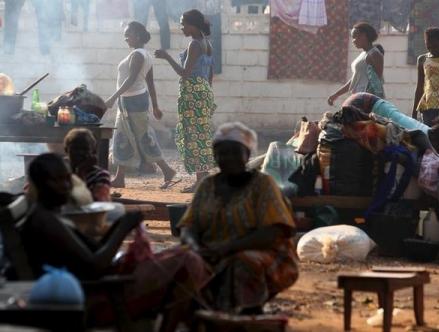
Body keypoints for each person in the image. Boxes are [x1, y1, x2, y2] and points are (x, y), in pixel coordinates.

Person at [21, 153, 210, 332]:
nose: (66, 186)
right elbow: (95, 265)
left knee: (183, 256)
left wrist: (118, 226)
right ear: (40, 184)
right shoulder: (47, 221)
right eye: (57, 180)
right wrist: (122, 230)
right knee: (187, 261)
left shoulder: (51, 215)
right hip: (95, 296)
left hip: (96, 285)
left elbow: (93, 249)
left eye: (67, 178)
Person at [178, 122, 299, 314]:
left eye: (235, 152)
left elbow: (273, 232)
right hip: (213, 251)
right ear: (215, 157)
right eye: (222, 153)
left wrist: (227, 248)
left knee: (241, 261)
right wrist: (195, 247)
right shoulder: (207, 185)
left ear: (247, 155)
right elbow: (188, 226)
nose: (228, 158)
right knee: (179, 260)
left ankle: (246, 314)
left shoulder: (262, 184)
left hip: (267, 257)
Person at [105, 21, 177, 189]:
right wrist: (155, 106)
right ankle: (121, 177)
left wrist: (113, 97)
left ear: (137, 35)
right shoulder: (146, 55)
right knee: (127, 136)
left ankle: (166, 170)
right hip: (134, 100)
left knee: (140, 137)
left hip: (132, 101)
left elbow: (130, 80)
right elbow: (150, 83)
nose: (125, 38)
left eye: (128, 34)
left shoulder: (137, 55)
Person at [155, 9, 215, 193]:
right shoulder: (207, 43)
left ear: (193, 25)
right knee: (201, 135)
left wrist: (167, 57)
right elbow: (210, 73)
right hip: (203, 91)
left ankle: (199, 182)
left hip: (192, 93)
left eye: (183, 24)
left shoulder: (195, 45)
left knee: (193, 137)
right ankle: (203, 179)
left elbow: (184, 73)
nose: (181, 27)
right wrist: (208, 94)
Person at [328, 22, 385, 106]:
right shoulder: (363, 54)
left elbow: (377, 82)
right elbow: (354, 80)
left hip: (367, 101)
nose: (353, 41)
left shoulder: (374, 54)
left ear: (364, 36)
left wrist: (369, 103)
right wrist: (336, 94)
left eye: (354, 37)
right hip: (358, 98)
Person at [64, 128, 111, 202]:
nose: (80, 153)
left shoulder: (100, 175)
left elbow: (99, 203)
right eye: (75, 148)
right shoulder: (60, 171)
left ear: (93, 151)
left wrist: (81, 171)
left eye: (85, 149)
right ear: (66, 150)